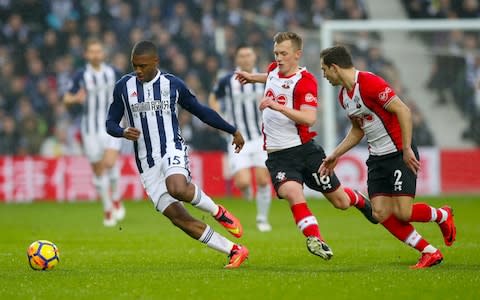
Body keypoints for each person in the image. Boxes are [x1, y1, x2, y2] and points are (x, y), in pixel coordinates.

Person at [106, 40, 249, 269]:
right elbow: (110, 122)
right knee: (179, 218)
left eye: (143, 65)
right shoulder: (124, 87)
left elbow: (201, 111)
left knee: (178, 188)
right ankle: (234, 250)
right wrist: (122, 131)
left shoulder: (172, 85)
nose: (138, 70)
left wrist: (232, 130)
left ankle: (218, 211)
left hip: (172, 148)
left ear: (156, 62)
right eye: (135, 65)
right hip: (147, 163)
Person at [235, 32, 376, 260]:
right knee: (292, 192)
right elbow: (270, 76)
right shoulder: (273, 69)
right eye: (276, 53)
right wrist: (252, 77)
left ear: (297, 54)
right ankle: (315, 239)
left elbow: (309, 118)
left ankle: (358, 199)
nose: (278, 58)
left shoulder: (305, 81)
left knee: (340, 202)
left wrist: (276, 107)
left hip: (305, 151)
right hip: (278, 156)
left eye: (284, 54)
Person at [318, 45, 456, 269]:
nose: (324, 75)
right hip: (377, 158)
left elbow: (403, 110)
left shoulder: (370, 83)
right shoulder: (344, 97)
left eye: (324, 70)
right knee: (380, 212)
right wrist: (335, 154)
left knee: (403, 212)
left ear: (335, 67)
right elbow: (357, 130)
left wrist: (407, 149)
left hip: (398, 153)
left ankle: (441, 215)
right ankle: (429, 252)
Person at [209, 45, 272, 232]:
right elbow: (213, 98)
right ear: (237, 59)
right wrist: (219, 118)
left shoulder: (264, 79)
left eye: (248, 55)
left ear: (254, 57)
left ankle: (262, 219)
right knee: (243, 182)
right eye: (241, 55)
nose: (245, 58)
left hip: (260, 137)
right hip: (238, 138)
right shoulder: (227, 80)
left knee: (262, 179)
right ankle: (246, 191)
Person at [64, 38, 125, 227]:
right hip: (90, 128)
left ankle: (115, 198)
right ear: (86, 55)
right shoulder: (80, 76)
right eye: (92, 51)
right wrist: (75, 99)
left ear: (103, 54)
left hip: (112, 123)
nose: (96, 54)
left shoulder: (113, 72)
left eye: (98, 51)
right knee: (98, 170)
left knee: (110, 162)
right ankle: (107, 208)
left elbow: (127, 91)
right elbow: (66, 98)